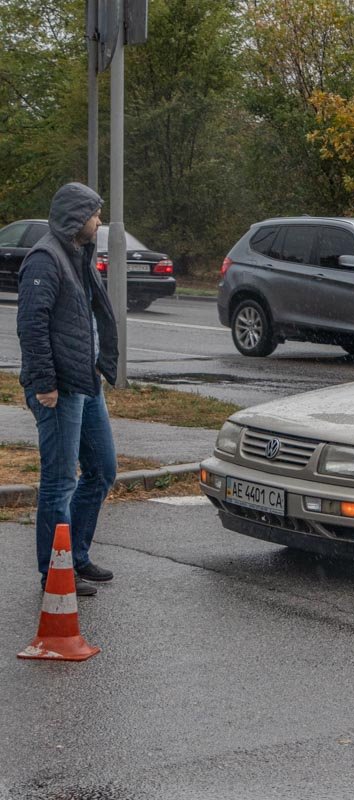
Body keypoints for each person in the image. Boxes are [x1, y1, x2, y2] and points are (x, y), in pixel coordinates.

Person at [16, 182, 119, 597]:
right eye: (95, 214)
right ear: (78, 217)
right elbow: (31, 325)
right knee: (60, 483)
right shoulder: (45, 259)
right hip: (58, 388)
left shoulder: (78, 254)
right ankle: (54, 574)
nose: (99, 221)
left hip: (85, 381)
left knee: (102, 471)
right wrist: (44, 384)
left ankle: (75, 555)